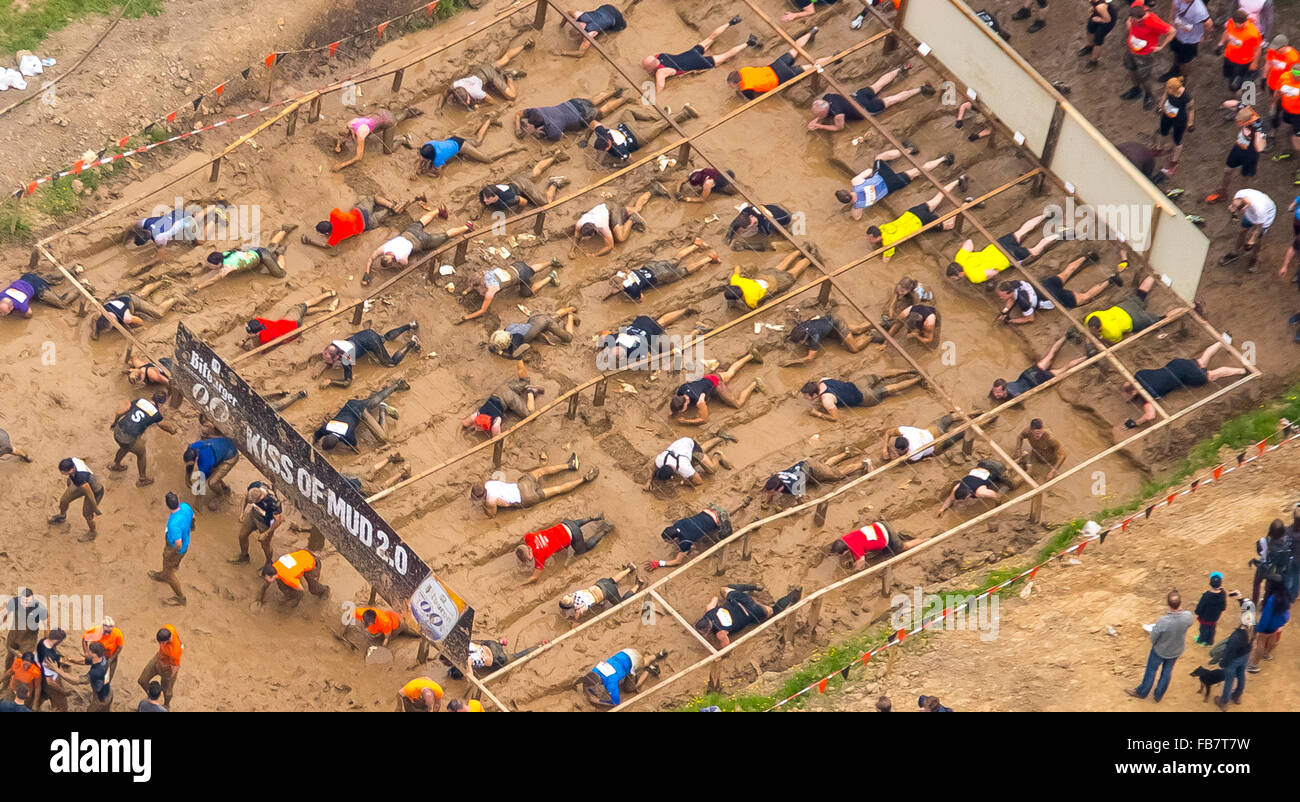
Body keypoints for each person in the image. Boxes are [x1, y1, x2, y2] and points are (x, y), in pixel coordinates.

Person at [1122, 342, 1247, 427]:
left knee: (1211, 375)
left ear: (1134, 392)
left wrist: (1136, 422)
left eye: (1130, 395)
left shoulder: (1147, 395)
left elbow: (1150, 415)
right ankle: (1222, 341)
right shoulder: (1138, 374)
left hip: (1186, 376)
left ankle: (1243, 371)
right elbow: (1131, 383)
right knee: (1201, 361)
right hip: (1176, 364)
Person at [361, 208, 472, 286]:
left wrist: (393, 266)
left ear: (391, 261)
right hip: (409, 233)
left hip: (420, 242)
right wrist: (366, 272)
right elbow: (371, 258)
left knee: (444, 236)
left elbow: (403, 265)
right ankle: (439, 210)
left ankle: (466, 227)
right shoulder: (385, 248)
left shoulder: (401, 258)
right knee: (421, 222)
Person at [947, 213, 1062, 286]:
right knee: (1020, 232)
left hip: (1008, 257)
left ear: (960, 273)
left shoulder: (974, 277)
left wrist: (990, 276)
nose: (956, 279)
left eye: (955, 277)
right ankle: (1044, 215)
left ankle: (1058, 234)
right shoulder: (959, 258)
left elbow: (994, 272)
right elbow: (969, 243)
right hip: (996, 246)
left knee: (1034, 251)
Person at [807, 66, 935, 131]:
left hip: (865, 108)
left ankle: (921, 89)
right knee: (878, 84)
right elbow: (822, 108)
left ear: (824, 111)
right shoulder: (827, 97)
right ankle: (900, 69)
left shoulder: (837, 114)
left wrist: (819, 126)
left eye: (819, 114)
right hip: (858, 96)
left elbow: (838, 128)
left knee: (891, 100)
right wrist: (817, 118)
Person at [866, 177, 966, 261]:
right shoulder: (882, 227)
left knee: (949, 225)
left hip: (921, 221)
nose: (869, 240)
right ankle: (958, 180)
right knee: (936, 199)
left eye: (871, 238)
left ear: (878, 237)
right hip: (912, 212)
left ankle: (966, 204)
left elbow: (885, 261)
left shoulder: (888, 244)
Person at [643, 17, 752, 93]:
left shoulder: (661, 72)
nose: (644, 69)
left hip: (698, 63)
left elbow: (660, 85)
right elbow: (650, 61)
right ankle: (732, 22)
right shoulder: (659, 55)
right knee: (710, 37)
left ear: (652, 67)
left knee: (725, 55)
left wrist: (657, 96)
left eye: (646, 68)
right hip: (691, 53)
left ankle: (749, 43)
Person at [835, 151, 954, 220]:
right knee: (879, 157)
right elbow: (868, 171)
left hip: (890, 186)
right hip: (881, 175)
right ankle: (907, 149)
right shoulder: (855, 182)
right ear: (847, 191)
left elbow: (857, 218)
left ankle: (943, 159)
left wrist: (852, 207)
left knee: (916, 172)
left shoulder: (858, 207)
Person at [471, 453, 600, 516]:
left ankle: (584, 479)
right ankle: (570, 465)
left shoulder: (490, 501)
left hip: (525, 498)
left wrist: (486, 510)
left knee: (556, 489)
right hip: (521, 485)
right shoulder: (488, 483)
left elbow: (504, 506)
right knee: (542, 471)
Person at [1125, 589, 1195, 703]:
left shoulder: (1164, 621)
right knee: (1167, 671)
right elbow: (1189, 622)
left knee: (1151, 670)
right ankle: (1158, 695)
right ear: (1180, 603)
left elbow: (1153, 637)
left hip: (1160, 650)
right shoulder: (1187, 616)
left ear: (1168, 604)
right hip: (1176, 650)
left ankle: (1142, 692)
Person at [727, 28, 830, 100]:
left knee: (810, 67)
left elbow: (752, 98)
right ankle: (811, 32)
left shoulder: (746, 89)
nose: (730, 87)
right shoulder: (744, 70)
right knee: (795, 49)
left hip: (780, 77)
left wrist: (740, 92)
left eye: (732, 85)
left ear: (738, 83)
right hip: (775, 66)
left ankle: (833, 57)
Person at [646, 500, 748, 570]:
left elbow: (677, 561)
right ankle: (742, 504)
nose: (667, 542)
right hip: (711, 510)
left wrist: (659, 563)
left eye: (668, 541)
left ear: (675, 538)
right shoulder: (677, 524)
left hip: (718, 520)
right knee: (725, 514)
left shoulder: (684, 542)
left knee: (728, 539)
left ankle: (749, 525)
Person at [669, 350, 764, 425]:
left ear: (685, 405)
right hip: (704, 379)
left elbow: (704, 419)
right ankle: (749, 356)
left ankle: (755, 383)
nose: (681, 412)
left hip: (715, 382)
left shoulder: (699, 402)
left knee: (737, 403)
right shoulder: (681, 390)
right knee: (728, 373)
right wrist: (673, 413)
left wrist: (686, 421)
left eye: (680, 410)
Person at [312, 380, 410, 452]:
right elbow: (316, 436)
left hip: (361, 412)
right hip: (350, 404)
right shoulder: (326, 428)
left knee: (383, 438)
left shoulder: (348, 436)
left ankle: (382, 410)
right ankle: (397, 384)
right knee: (373, 401)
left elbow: (357, 449)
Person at [608, 239, 718, 301]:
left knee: (684, 271)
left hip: (660, 275)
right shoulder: (621, 273)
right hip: (651, 266)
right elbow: (626, 269)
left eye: (615, 288)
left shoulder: (632, 288)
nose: (613, 290)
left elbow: (643, 300)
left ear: (622, 286)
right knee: (675, 259)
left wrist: (630, 300)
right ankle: (696, 245)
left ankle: (709, 258)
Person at [317, 322, 421, 388]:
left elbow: (347, 382)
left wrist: (331, 381)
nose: (325, 361)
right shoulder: (336, 345)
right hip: (367, 334)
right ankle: (411, 325)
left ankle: (412, 342)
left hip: (372, 342)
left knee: (390, 363)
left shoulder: (345, 359)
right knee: (385, 338)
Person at [695, 583, 803, 646]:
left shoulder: (721, 633)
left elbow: (726, 646)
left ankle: (792, 595)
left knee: (772, 612)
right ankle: (754, 586)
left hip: (752, 612)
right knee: (724, 589)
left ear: (709, 629)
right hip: (740, 600)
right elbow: (714, 599)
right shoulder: (709, 610)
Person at [516, 514, 613, 583]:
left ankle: (605, 530)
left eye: (528, 558)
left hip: (573, 534)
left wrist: (523, 583)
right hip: (565, 524)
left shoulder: (539, 556)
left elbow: (535, 577)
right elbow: (525, 542)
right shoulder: (529, 537)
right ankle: (595, 517)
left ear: (529, 552)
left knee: (582, 550)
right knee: (575, 524)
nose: (529, 559)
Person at [587, 105, 700, 165]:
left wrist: (585, 138)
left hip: (632, 131)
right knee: (659, 126)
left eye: (603, 149)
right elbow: (594, 123)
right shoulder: (609, 140)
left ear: (608, 144)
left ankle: (673, 114)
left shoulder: (616, 147)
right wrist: (585, 138)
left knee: (629, 112)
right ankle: (680, 114)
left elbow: (593, 123)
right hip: (633, 133)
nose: (602, 152)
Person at [461, 258, 565, 321]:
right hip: (516, 266)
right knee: (532, 269)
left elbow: (482, 310)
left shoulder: (491, 291)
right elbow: (474, 283)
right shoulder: (484, 273)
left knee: (527, 292)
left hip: (521, 275)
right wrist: (465, 291)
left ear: (483, 285)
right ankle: (551, 262)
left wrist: (467, 317)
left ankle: (550, 277)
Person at [108, 391, 177, 486]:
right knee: (141, 453)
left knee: (126, 447)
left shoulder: (139, 401)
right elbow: (162, 425)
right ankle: (142, 479)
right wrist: (172, 431)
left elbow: (121, 412)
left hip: (118, 430)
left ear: (151, 397)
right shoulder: (156, 414)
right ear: (160, 404)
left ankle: (116, 465)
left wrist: (114, 423)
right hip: (128, 437)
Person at [442, 38, 534, 109]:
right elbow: (445, 94)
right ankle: (525, 44)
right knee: (504, 59)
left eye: (467, 101)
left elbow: (492, 102)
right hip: (479, 69)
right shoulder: (454, 85)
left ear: (468, 94)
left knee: (512, 97)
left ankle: (509, 76)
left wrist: (480, 106)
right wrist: (439, 108)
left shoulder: (476, 92)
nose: (467, 103)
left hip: (488, 74)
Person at [990, 334, 1088, 400]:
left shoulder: (1012, 396)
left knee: (1065, 368)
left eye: (998, 393)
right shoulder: (994, 391)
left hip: (1036, 381)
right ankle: (1067, 335)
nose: (995, 394)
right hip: (1027, 374)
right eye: (995, 391)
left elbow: (1020, 407)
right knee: (1050, 354)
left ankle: (1087, 356)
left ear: (1005, 389)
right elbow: (990, 397)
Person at [195, 225, 295, 289]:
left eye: (211, 266)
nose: (209, 267)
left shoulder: (227, 268)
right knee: (270, 246)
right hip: (253, 250)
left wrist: (198, 287)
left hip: (262, 256)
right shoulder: (224, 254)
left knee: (281, 274)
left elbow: (213, 280)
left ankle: (280, 253)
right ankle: (284, 230)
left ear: (219, 264)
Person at [597, 306, 698, 368]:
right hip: (642, 322)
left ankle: (697, 330)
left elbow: (649, 358)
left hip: (653, 335)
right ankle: (685, 310)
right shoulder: (612, 340)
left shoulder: (635, 350)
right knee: (660, 322)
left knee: (675, 349)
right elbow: (604, 333)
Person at [761, 451, 870, 507]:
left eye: (771, 492)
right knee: (826, 466)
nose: (768, 493)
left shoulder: (794, 485)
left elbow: (802, 500)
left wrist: (793, 506)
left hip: (812, 469)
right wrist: (767, 501)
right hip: (804, 465)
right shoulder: (775, 479)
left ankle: (864, 463)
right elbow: (769, 491)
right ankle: (846, 453)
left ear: (779, 489)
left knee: (837, 475)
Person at [801, 371, 924, 421]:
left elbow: (835, 418)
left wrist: (817, 414)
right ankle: (911, 371)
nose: (805, 398)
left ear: (815, 394)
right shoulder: (823, 380)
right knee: (882, 375)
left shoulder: (826, 400)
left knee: (891, 389)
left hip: (864, 398)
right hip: (858, 384)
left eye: (806, 396)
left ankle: (918, 378)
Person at [416, 120, 523, 177]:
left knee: (487, 159)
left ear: (431, 157)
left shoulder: (438, 159)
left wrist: (425, 172)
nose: (421, 158)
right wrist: (418, 169)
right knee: (477, 141)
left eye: (423, 158)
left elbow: (438, 174)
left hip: (462, 146)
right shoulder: (428, 145)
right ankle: (488, 121)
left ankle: (511, 149)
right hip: (453, 140)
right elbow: (421, 159)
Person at [515, 89, 630, 141]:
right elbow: (519, 113)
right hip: (572, 103)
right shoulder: (536, 111)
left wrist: (537, 134)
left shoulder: (553, 129)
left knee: (601, 111)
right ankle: (614, 90)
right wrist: (517, 127)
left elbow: (558, 138)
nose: (527, 125)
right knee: (592, 101)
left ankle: (624, 99)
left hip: (582, 117)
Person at [1206, 106, 1265, 204]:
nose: (1239, 124)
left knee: (1244, 179)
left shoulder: (1258, 127)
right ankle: (1223, 192)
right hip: (1238, 148)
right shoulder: (1245, 112)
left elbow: (1260, 147)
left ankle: (1243, 199)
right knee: (1227, 170)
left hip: (1250, 155)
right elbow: (1229, 104)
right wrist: (1235, 104)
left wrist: (1256, 135)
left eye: (1241, 123)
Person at [333, 107, 422, 170]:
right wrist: (338, 145)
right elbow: (342, 136)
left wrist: (342, 165)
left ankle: (403, 139)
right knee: (390, 118)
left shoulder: (361, 133)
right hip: (380, 112)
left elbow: (359, 157)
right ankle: (406, 112)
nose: (345, 137)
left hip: (388, 121)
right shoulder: (351, 123)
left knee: (388, 150)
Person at [239, 293, 336, 350]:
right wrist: (246, 339)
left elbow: (257, 346)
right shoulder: (259, 322)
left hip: (292, 328)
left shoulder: (264, 337)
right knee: (302, 306)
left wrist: (248, 339)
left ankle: (328, 305)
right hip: (290, 324)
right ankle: (328, 296)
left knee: (303, 309)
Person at [303, 195, 408, 248]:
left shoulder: (335, 236)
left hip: (366, 225)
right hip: (361, 211)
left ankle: (392, 209)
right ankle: (391, 205)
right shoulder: (333, 215)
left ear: (327, 233)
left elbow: (327, 247)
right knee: (372, 198)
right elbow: (337, 211)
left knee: (388, 214)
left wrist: (310, 242)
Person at [1122, 4, 1174, 110]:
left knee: (1144, 77)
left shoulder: (1152, 22)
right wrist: (1129, 25)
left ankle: (1149, 95)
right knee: (1131, 69)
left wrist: (1161, 46)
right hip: (1131, 49)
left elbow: (1172, 31)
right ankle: (1136, 89)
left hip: (1144, 54)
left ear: (1139, 18)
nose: (1131, 21)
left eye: (1133, 20)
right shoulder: (1137, 9)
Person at [461, 373, 545, 436]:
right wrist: (472, 423)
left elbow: (497, 439)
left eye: (478, 427)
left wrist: (471, 427)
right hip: (501, 388)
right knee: (525, 381)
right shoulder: (477, 413)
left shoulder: (495, 424)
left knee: (530, 415)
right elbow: (465, 423)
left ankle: (531, 391)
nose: (476, 428)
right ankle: (522, 369)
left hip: (508, 398)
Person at [1084, 275, 1163, 343]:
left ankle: (1166, 317)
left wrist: (1101, 338)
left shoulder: (1112, 332)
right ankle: (1152, 276)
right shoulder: (1090, 317)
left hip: (1133, 320)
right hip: (1123, 307)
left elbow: (1115, 343)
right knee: (1140, 295)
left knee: (1157, 320)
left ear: (1100, 327)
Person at [147, 492, 193, 606]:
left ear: (167, 505)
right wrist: (192, 527)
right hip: (185, 544)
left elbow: (178, 544)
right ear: (178, 499)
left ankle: (180, 597)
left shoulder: (173, 524)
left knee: (170, 572)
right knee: (169, 565)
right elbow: (193, 517)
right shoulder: (185, 506)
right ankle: (164, 573)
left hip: (176, 549)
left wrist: (171, 553)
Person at [580, 648, 667, 707]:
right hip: (626, 653)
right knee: (643, 661)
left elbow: (616, 702)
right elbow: (586, 681)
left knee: (629, 689)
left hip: (634, 662)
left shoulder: (611, 683)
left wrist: (598, 700)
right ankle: (658, 654)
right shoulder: (595, 670)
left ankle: (649, 670)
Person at [571, 193, 651, 256]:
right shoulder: (580, 223)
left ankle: (632, 219)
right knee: (637, 209)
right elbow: (576, 236)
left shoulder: (603, 227)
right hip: (605, 207)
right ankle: (652, 191)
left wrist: (594, 255)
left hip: (613, 210)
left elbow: (610, 246)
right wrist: (572, 251)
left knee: (620, 238)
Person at [723, 253, 812, 310]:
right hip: (763, 276)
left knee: (794, 272)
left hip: (774, 284)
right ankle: (799, 251)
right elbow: (737, 267)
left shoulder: (750, 300)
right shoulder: (735, 280)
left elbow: (755, 308)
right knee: (781, 265)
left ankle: (809, 258)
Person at [560, 565, 642, 625]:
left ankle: (638, 584)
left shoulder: (579, 608)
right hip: (601, 583)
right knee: (612, 580)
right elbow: (569, 601)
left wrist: (574, 619)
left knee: (620, 603)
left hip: (608, 591)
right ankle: (629, 568)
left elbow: (576, 618)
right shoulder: (573, 594)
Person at [90, 284, 178, 340]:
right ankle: (160, 282)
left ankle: (175, 298)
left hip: (132, 301)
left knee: (158, 313)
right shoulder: (99, 313)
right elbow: (94, 319)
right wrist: (94, 332)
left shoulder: (126, 318)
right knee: (141, 294)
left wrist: (130, 327)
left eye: (109, 329)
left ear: (113, 322)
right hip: (121, 297)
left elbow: (140, 322)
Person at [782, 313, 877, 365]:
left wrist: (791, 362)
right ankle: (879, 322)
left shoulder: (815, 337)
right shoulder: (800, 328)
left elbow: (810, 358)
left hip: (837, 323)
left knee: (854, 348)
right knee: (857, 329)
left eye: (800, 342)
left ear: (805, 338)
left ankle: (871, 335)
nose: (799, 344)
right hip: (830, 319)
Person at [831, 520, 927, 570]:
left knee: (903, 547)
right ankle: (899, 536)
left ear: (846, 550)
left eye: (840, 554)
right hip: (879, 526)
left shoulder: (856, 548)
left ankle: (925, 540)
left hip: (887, 537)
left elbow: (862, 562)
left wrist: (855, 568)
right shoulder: (845, 539)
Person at [647, 434, 733, 489]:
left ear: (673, 474)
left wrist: (680, 483)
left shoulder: (683, 468)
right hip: (682, 444)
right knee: (701, 450)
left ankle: (717, 455)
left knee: (711, 470)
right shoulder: (660, 460)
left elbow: (699, 481)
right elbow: (651, 468)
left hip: (690, 445)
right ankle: (719, 437)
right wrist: (648, 481)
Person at [48, 457, 105, 541]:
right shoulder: (72, 461)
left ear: (71, 470)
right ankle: (62, 517)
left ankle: (92, 533)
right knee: (64, 500)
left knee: (87, 514)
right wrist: (70, 478)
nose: (61, 473)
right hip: (80, 483)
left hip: (94, 491)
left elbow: (90, 494)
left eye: (63, 472)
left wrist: (95, 508)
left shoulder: (80, 477)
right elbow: (80, 461)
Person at [1040, 250, 1119, 310]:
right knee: (1066, 273)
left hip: (1051, 295)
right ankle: (1087, 256)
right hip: (1046, 288)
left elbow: (1031, 316)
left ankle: (1111, 280)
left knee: (1085, 297)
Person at [1221, 187, 1276, 270]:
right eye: (1233, 204)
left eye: (1234, 207)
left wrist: (1252, 240)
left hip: (1266, 215)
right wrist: (1234, 213)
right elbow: (1233, 206)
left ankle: (1254, 259)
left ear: (1244, 208)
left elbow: (1259, 228)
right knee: (1242, 230)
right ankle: (1235, 253)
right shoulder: (1239, 195)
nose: (1231, 207)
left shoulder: (1260, 210)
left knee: (1258, 239)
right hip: (1250, 214)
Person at [231, 482, 284, 566]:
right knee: (242, 535)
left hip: (266, 521)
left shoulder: (273, 502)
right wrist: (242, 512)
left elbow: (279, 520)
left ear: (261, 497)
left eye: (252, 502)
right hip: (253, 514)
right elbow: (245, 496)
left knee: (265, 544)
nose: (250, 502)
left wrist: (266, 533)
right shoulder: (254, 486)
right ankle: (244, 556)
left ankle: (268, 563)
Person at [488, 308, 575, 359]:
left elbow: (513, 356)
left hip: (545, 322)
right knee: (552, 317)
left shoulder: (516, 341)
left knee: (568, 338)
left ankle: (570, 315)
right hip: (534, 320)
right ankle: (568, 309)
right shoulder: (508, 328)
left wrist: (500, 353)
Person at [882, 413, 969, 462]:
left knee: (951, 423)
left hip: (934, 440)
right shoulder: (904, 431)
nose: (895, 452)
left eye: (898, 451)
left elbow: (907, 461)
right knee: (953, 425)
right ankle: (971, 417)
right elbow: (888, 432)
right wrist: (885, 448)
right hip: (934, 437)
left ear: (907, 448)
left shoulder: (913, 454)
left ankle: (974, 415)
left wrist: (897, 458)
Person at [1158, 0, 1211, 80]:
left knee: (1185, 61)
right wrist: (1171, 18)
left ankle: (1182, 78)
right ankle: (1174, 70)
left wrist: (1204, 36)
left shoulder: (1199, 10)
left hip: (1189, 40)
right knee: (1176, 53)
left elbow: (1208, 23)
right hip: (1177, 33)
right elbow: (1174, 5)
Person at [938, 459, 1012, 514]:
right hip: (983, 463)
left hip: (996, 468)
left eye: (962, 499)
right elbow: (950, 499)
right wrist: (942, 509)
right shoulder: (957, 487)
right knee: (989, 481)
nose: (960, 501)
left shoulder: (980, 492)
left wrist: (997, 508)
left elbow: (997, 497)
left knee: (1009, 485)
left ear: (969, 494)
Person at [258, 549, 330, 606]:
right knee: (281, 583)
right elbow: (267, 582)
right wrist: (259, 599)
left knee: (313, 589)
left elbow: (302, 590)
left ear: (272, 576)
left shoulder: (288, 578)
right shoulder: (275, 565)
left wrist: (296, 601)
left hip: (313, 564)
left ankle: (325, 590)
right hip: (303, 554)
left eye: (266, 578)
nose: (266, 580)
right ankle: (290, 594)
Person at [182, 436, 239, 504]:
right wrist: (187, 478)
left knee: (212, 482)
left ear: (196, 458)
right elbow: (190, 463)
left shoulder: (204, 461)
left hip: (230, 456)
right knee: (213, 472)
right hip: (222, 446)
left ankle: (221, 495)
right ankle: (224, 487)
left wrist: (198, 499)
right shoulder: (192, 447)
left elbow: (203, 479)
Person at [1155, 77, 1194, 175]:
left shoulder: (1186, 97)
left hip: (1179, 118)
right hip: (1167, 113)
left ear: (1176, 89)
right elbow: (1165, 94)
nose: (1168, 91)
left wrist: (1190, 123)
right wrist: (1160, 106)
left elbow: (1191, 109)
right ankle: (1159, 149)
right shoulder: (1170, 88)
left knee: (1177, 140)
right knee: (1162, 131)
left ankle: (1174, 161)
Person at [558, 4, 631, 56]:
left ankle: (631, 6)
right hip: (607, 7)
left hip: (616, 18)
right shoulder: (579, 15)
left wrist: (562, 52)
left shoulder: (589, 33)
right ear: (575, 22)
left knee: (625, 20)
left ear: (581, 34)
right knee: (602, 22)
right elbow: (567, 13)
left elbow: (580, 53)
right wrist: (561, 25)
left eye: (576, 38)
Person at [1215, 609, 1253, 710]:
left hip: (1234, 660)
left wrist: (1223, 663)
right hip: (1245, 656)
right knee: (1241, 675)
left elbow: (1229, 652)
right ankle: (1237, 695)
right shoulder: (1252, 629)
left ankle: (1224, 701)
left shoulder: (1236, 636)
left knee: (1229, 680)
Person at [1248, 580, 1289, 672]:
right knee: (1272, 637)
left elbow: (1266, 617)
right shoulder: (1285, 596)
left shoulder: (1271, 600)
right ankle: (1267, 654)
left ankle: (1254, 665)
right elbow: (1286, 613)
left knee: (1261, 642)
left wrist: (1260, 628)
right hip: (1277, 624)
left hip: (1267, 626)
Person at [1219, 10, 1262, 96]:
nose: (1235, 26)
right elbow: (1227, 32)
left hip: (1242, 62)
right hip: (1229, 57)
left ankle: (1238, 93)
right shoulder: (1231, 22)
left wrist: (1254, 63)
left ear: (1244, 22)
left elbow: (1258, 49)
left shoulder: (1252, 33)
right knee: (1229, 77)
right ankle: (1233, 90)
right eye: (1234, 24)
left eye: (1238, 25)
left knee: (1237, 81)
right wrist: (1220, 43)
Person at [138, 625, 181, 709]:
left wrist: (170, 679)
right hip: (158, 659)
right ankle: (153, 696)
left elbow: (175, 668)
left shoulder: (175, 651)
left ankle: (166, 705)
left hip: (169, 668)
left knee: (167, 691)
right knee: (142, 680)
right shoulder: (168, 628)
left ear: (168, 639)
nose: (160, 644)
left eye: (162, 643)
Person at [724, 203, 793, 250]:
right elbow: (735, 222)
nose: (741, 232)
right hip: (774, 206)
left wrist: (745, 246)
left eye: (744, 230)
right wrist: (728, 236)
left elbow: (766, 244)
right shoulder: (746, 211)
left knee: (773, 243)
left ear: (752, 226)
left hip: (785, 217)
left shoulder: (765, 225)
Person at [0, 271, 71, 318]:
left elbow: (29, 313)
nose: (1, 314)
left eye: (4, 313)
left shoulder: (21, 305)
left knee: (62, 303)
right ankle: (74, 270)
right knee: (46, 280)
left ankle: (80, 287)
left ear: (12, 307)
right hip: (27, 277)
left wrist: (23, 315)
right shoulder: (1, 295)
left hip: (37, 287)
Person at [1080, 0, 1118, 72]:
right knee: (1090, 29)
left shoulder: (1100, 7)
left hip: (1107, 20)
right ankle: (1090, 46)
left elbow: (1107, 20)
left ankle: (1093, 61)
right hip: (1098, 13)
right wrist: (1093, 8)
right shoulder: (1095, 3)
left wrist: (1098, 19)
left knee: (1098, 40)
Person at [82, 617, 123, 683]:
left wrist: (112, 658)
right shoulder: (96, 631)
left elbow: (120, 647)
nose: (107, 633)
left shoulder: (117, 633)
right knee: (96, 675)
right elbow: (84, 639)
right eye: (105, 631)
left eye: (109, 631)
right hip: (98, 656)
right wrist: (86, 652)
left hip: (111, 656)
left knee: (108, 678)